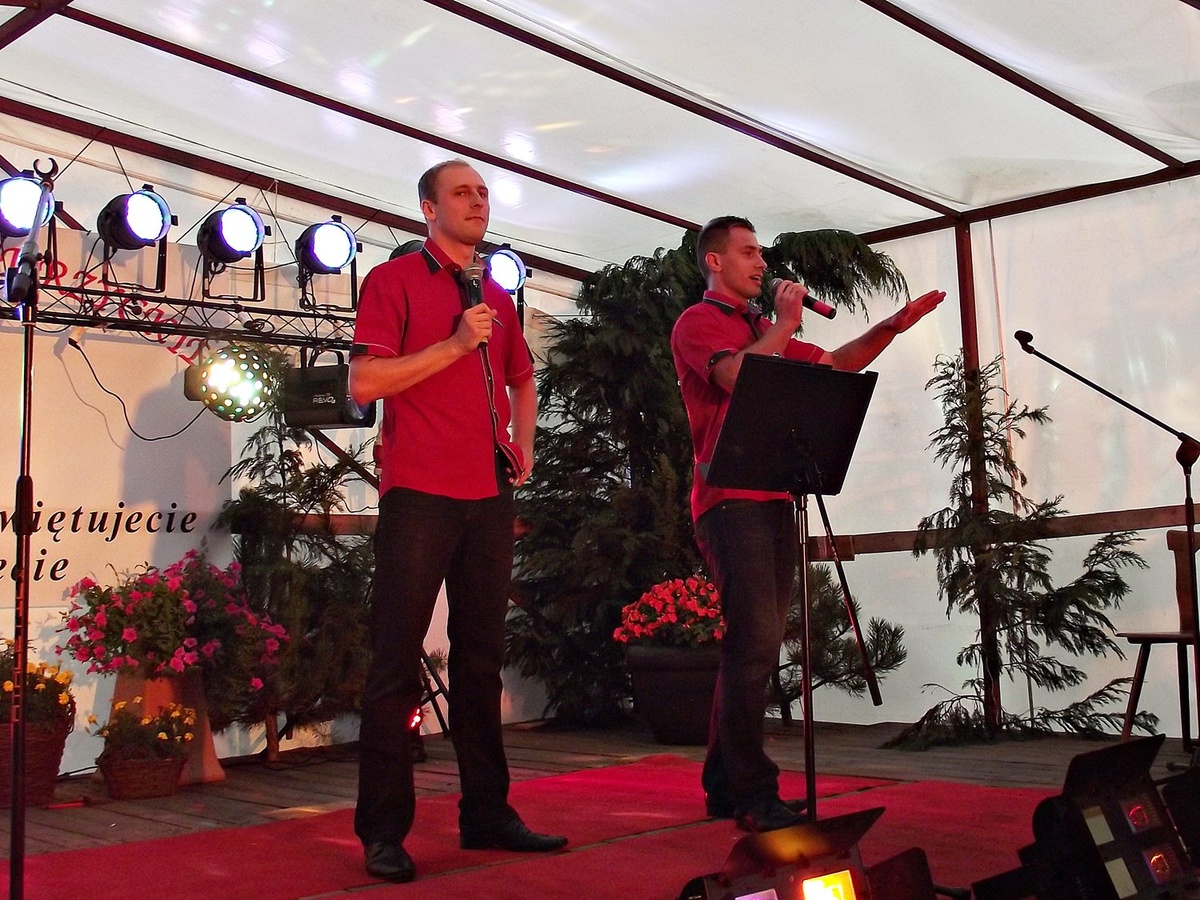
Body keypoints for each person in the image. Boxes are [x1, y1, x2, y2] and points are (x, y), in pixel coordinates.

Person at [670, 215, 945, 833]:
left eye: (759, 252)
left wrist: (891, 327)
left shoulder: (760, 329)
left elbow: (836, 364)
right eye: (748, 252)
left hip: (774, 494)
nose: (760, 263)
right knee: (754, 642)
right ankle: (751, 791)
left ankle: (725, 785)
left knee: (757, 644)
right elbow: (735, 376)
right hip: (730, 499)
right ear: (715, 261)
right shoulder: (699, 322)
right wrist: (786, 325)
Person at [349, 159, 567, 883]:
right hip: (419, 492)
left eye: (483, 193)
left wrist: (524, 447)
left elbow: (524, 378)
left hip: (488, 493)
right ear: (427, 208)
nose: (478, 201)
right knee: (395, 660)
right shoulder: (392, 281)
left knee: (480, 659)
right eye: (462, 192)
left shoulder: (497, 295)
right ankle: (384, 831)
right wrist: (450, 344)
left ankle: (488, 813)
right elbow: (364, 381)